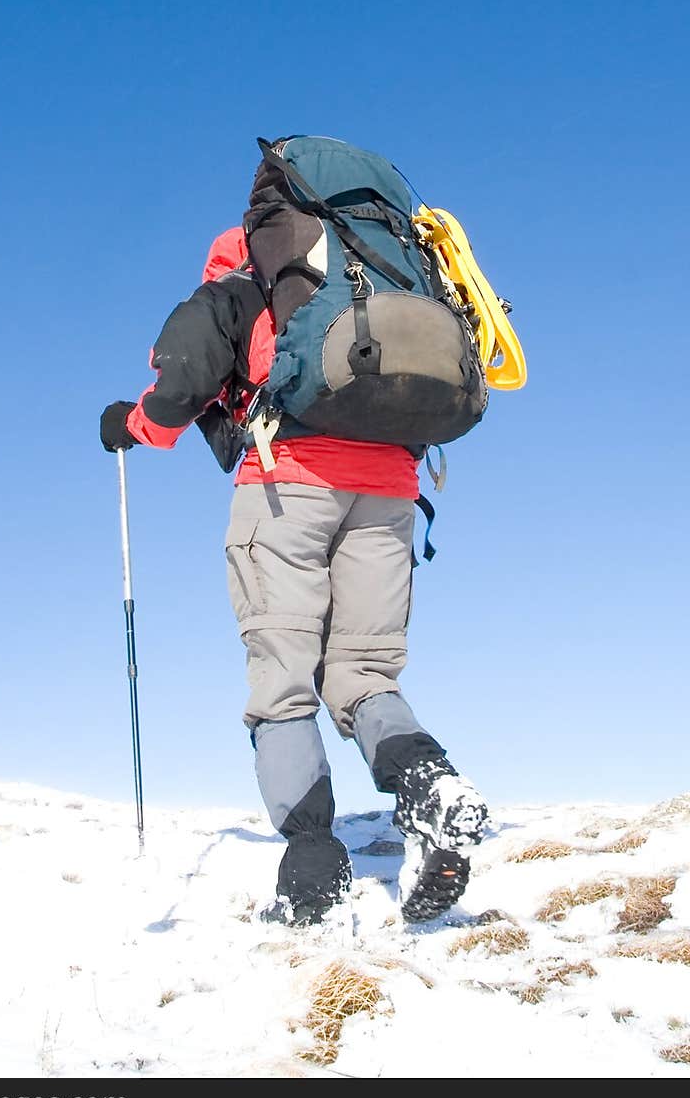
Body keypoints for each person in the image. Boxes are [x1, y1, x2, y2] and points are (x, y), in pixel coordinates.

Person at [100, 150, 488, 925]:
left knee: (281, 680)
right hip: (390, 488)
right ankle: (428, 783)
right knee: (366, 672)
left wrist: (131, 427)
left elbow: (184, 377)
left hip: (288, 483)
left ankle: (312, 868)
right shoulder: (388, 264)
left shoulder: (244, 278)